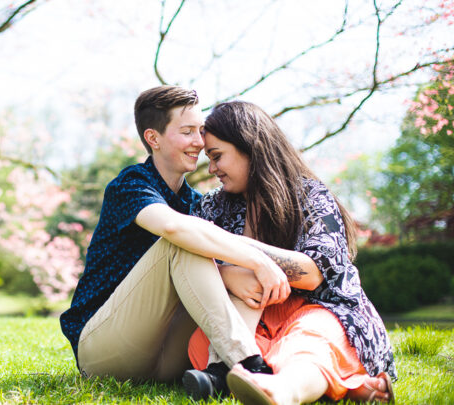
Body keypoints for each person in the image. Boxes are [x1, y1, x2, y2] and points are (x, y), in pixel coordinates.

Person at [59, 86, 295, 387]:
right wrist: (258, 260)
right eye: (187, 132)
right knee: (181, 242)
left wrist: (234, 272)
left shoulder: (197, 203)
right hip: (104, 350)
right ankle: (247, 363)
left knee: (227, 262)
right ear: (153, 138)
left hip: (165, 356)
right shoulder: (130, 185)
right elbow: (173, 229)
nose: (199, 142)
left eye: (201, 131)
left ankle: (218, 372)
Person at [183, 101, 396, 404]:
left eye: (217, 156)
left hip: (321, 311)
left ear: (251, 148)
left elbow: (310, 274)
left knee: (308, 342)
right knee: (203, 341)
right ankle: (348, 386)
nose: (212, 168)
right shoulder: (212, 206)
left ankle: (284, 391)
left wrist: (234, 247)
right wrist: (227, 273)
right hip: (255, 318)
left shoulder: (310, 196)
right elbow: (193, 265)